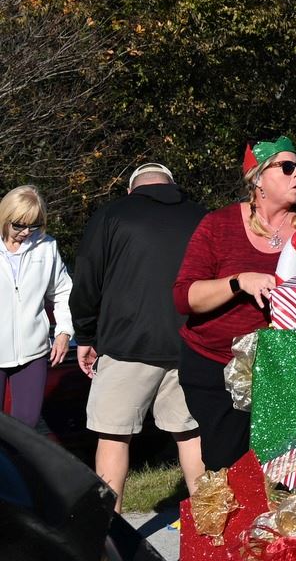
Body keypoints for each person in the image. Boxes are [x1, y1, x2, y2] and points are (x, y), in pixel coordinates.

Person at [172, 138, 296, 470]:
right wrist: (238, 282)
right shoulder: (218, 226)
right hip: (216, 366)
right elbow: (184, 296)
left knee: (292, 469)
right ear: (258, 178)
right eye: (287, 167)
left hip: (292, 370)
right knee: (231, 468)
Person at [69, 162, 210, 499]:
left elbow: (87, 281)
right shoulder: (203, 218)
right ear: (172, 185)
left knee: (113, 436)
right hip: (189, 344)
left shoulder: (112, 215)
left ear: (132, 190)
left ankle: (110, 539)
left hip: (125, 345)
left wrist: (86, 336)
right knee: (190, 434)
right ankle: (210, 532)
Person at [1, 186, 74, 431]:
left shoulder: (46, 247)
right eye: (19, 225)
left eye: (33, 225)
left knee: (26, 426)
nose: (26, 232)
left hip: (33, 352)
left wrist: (64, 332)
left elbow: (63, 291)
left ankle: (18, 470)